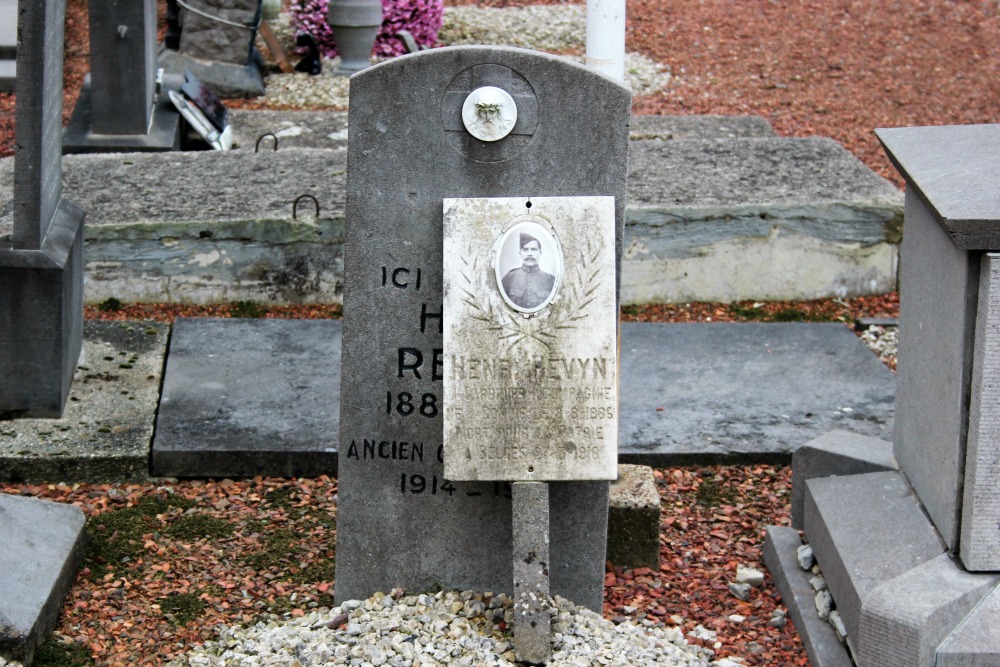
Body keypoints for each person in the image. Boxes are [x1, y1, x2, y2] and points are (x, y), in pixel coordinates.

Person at [501, 233, 556, 309]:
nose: (529, 254)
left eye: (533, 249)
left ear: (540, 253)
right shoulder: (509, 278)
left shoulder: (551, 280)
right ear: (520, 253)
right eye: (525, 250)